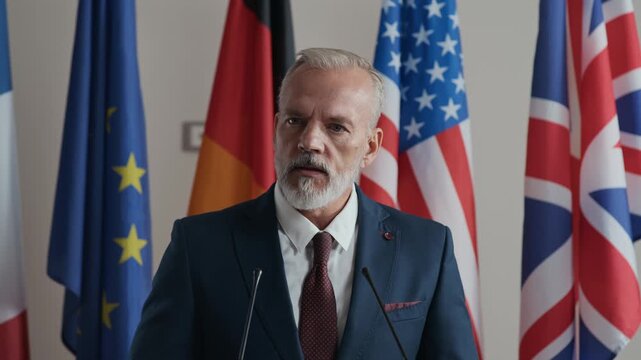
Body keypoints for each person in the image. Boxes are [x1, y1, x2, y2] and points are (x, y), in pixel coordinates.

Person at [130, 48, 478, 359]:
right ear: (277, 128)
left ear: (371, 147)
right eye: (295, 121)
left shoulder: (426, 249)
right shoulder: (200, 246)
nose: (309, 141)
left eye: (336, 127)